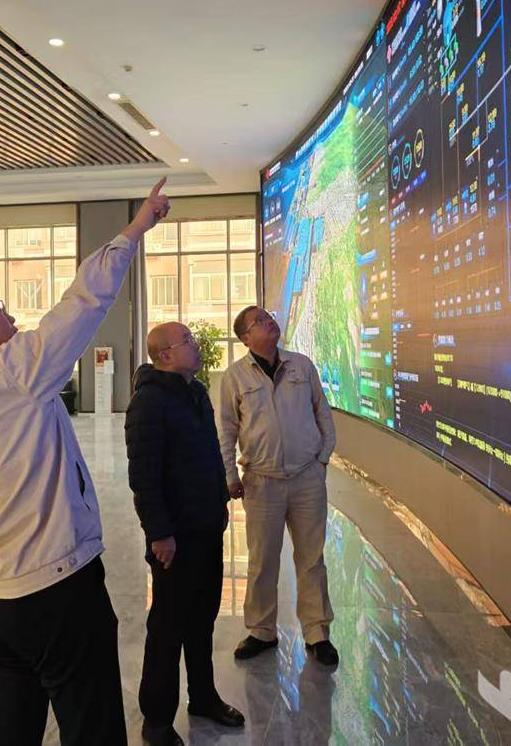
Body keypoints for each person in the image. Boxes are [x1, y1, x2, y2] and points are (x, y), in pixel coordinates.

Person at [0, 179, 170, 746]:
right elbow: (84, 302)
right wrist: (136, 228)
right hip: (58, 591)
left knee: (14, 718)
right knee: (92, 723)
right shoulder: (10, 374)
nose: (11, 318)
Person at [126, 322, 245, 745]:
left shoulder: (194, 392)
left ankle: (203, 697)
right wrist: (159, 533)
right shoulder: (149, 402)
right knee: (168, 628)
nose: (196, 345)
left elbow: (209, 454)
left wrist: (219, 503)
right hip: (175, 539)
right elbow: (144, 476)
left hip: (206, 527)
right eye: (188, 341)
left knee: (201, 620)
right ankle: (156, 720)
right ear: (165, 355)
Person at [218, 306, 339, 667]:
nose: (269, 321)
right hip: (261, 481)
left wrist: (322, 459)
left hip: (306, 478)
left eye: (268, 316)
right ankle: (261, 631)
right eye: (259, 321)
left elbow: (322, 413)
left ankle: (317, 633)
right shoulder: (235, 377)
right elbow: (226, 430)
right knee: (262, 560)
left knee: (312, 558)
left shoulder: (301, 366)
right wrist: (230, 476)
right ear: (246, 338)